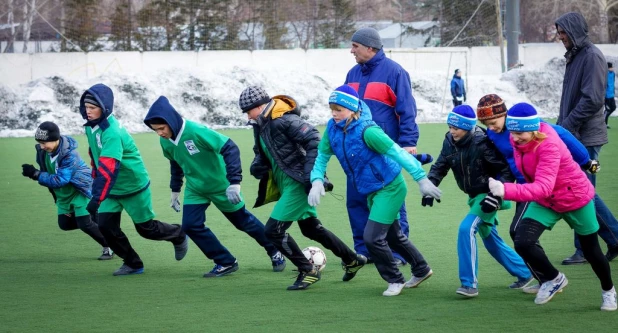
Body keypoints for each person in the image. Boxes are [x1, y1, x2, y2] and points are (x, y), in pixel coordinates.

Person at [477, 94, 618, 293]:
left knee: (587, 212)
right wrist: (500, 186)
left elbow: (563, 135)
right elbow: (502, 161)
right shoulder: (494, 134)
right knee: (521, 234)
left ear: (505, 115)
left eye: (493, 122)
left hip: (543, 186)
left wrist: (586, 161)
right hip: (523, 187)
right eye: (486, 124)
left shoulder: (527, 126)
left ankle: (554, 279)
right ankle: (548, 279)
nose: (491, 127)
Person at [309, 85, 441, 296]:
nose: (334, 113)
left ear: (352, 110)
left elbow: (397, 152)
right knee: (393, 236)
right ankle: (422, 269)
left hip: (390, 187)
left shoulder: (369, 131)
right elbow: (322, 157)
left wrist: (421, 179)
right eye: (331, 108)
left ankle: (394, 279)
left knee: (371, 238)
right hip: (370, 189)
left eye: (339, 109)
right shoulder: (332, 128)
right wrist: (316, 180)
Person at [240, 86, 366, 291]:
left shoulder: (284, 120)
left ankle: (307, 270)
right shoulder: (260, 125)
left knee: (273, 231)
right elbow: (260, 151)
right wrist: (258, 165)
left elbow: (314, 140)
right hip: (286, 183)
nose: (247, 116)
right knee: (311, 229)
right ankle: (352, 259)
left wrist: (311, 177)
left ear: (261, 106)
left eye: (248, 111)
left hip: (298, 183)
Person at [143, 96, 285, 277]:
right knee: (190, 225)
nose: (160, 133)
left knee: (244, 222)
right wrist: (175, 189)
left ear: (171, 121)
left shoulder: (196, 131)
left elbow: (230, 147)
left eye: (161, 128)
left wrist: (234, 182)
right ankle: (225, 261)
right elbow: (175, 163)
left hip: (221, 186)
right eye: (155, 130)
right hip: (196, 189)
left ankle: (275, 250)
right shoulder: (165, 141)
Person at [80, 83, 188, 276]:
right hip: (111, 189)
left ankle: (178, 234)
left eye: (92, 108)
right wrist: (96, 181)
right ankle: (133, 263)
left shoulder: (112, 132)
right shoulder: (92, 127)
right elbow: (96, 156)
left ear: (104, 108)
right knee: (105, 226)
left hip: (133, 186)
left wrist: (96, 198)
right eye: (86, 107)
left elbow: (108, 168)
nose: (88, 112)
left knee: (146, 229)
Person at [424, 105, 530, 297]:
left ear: (467, 127)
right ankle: (526, 273)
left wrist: (495, 195)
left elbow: (505, 170)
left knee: (467, 229)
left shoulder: (482, 142)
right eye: (450, 126)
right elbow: (441, 165)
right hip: (474, 197)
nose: (451, 131)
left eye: (456, 128)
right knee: (491, 240)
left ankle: (469, 284)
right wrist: (430, 187)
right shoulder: (449, 140)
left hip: (488, 196)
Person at [344, 27, 420, 265]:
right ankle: (364, 250)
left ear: (370, 47)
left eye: (355, 46)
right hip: (357, 151)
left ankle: (397, 253)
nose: (351, 50)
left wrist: (408, 142)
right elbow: (343, 108)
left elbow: (407, 110)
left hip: (384, 150)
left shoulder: (395, 72)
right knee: (356, 199)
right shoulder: (352, 74)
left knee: (391, 201)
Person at [555, 12, 613, 265]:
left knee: (584, 193)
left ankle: (590, 246)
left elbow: (591, 100)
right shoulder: (577, 56)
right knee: (583, 192)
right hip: (576, 135)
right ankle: (600, 242)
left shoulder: (591, 57)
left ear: (574, 30)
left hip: (585, 138)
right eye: (559, 32)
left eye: (563, 31)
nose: (560, 36)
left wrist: (565, 128)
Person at [21, 121, 112, 260]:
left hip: (79, 191)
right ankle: (97, 222)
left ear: (56, 139)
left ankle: (110, 245)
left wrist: (36, 174)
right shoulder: (42, 152)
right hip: (63, 195)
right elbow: (50, 173)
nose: (42, 146)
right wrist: (38, 174)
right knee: (65, 224)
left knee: (85, 223)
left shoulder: (70, 154)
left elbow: (60, 180)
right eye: (40, 142)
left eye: (45, 143)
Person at [606, 62, 616, 128]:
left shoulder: (613, 74)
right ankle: (605, 123)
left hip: (611, 95)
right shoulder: (605, 74)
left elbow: (613, 82)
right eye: (610, 67)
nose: (612, 68)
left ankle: (604, 121)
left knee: (614, 108)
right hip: (606, 96)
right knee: (608, 110)